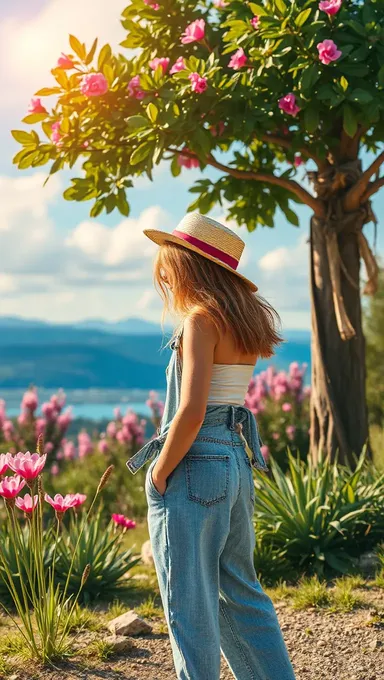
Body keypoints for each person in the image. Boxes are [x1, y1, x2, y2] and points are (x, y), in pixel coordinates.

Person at [127, 213, 296, 680]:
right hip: (235, 461)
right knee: (241, 592)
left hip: (195, 462)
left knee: (189, 604)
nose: (164, 276)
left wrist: (159, 472)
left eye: (168, 266)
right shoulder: (245, 320)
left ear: (188, 267)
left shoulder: (201, 319)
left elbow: (192, 410)